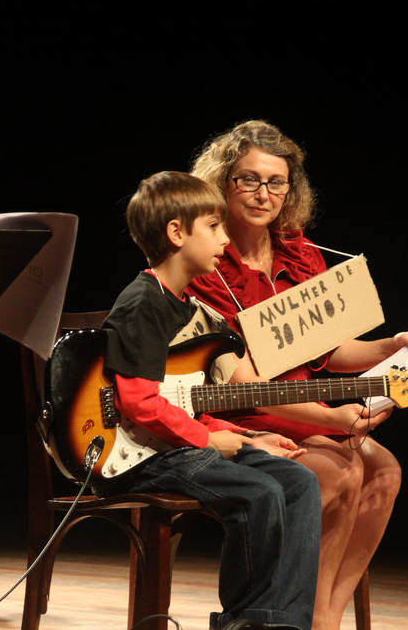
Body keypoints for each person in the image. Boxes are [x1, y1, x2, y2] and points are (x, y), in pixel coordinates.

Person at [186, 120, 408, 630]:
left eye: (276, 182)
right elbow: (233, 382)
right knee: (342, 468)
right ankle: (303, 617)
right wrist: (330, 419)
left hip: (305, 408)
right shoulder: (206, 260)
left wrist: (390, 345)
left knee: (385, 470)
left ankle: (324, 617)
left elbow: (328, 352)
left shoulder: (300, 252)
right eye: (249, 180)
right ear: (222, 182)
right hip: (240, 412)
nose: (263, 194)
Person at [101, 171, 322, 630]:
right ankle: (245, 621)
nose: (224, 239)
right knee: (259, 493)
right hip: (146, 454)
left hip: (176, 442)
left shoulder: (188, 308)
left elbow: (180, 401)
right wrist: (207, 439)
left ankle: (282, 621)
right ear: (176, 233)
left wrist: (246, 437)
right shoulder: (144, 303)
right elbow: (139, 403)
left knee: (299, 482)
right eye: (214, 226)